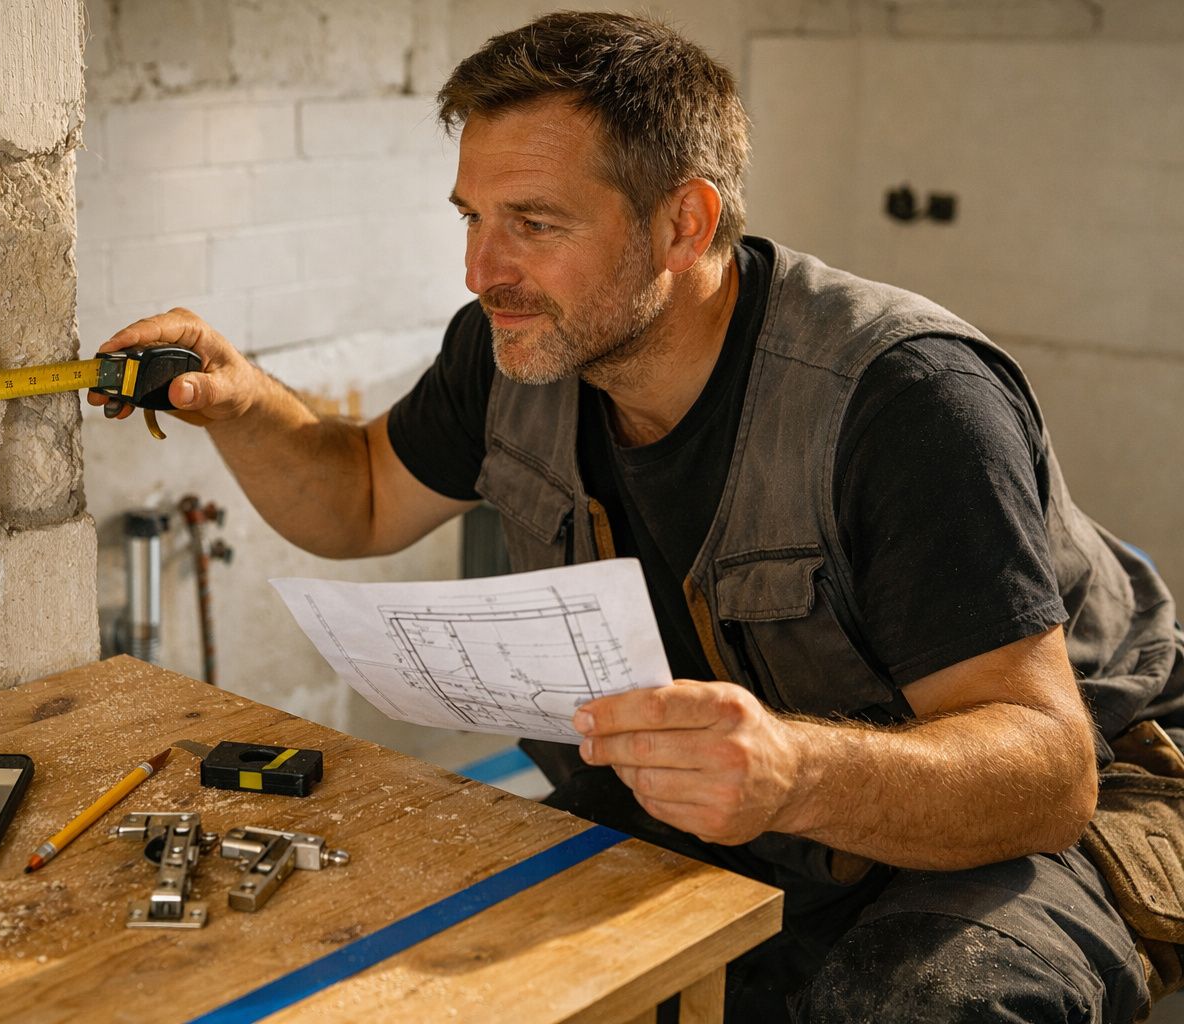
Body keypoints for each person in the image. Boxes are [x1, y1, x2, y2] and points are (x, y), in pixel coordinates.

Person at [89, 11, 1184, 1022]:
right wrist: (243, 401)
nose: (480, 271)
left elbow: (1047, 774)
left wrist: (793, 772)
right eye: (473, 218)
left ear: (682, 223)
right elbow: (364, 496)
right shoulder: (512, 348)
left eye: (534, 222)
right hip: (745, 799)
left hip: (1055, 805)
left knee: (923, 1001)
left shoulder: (906, 401)